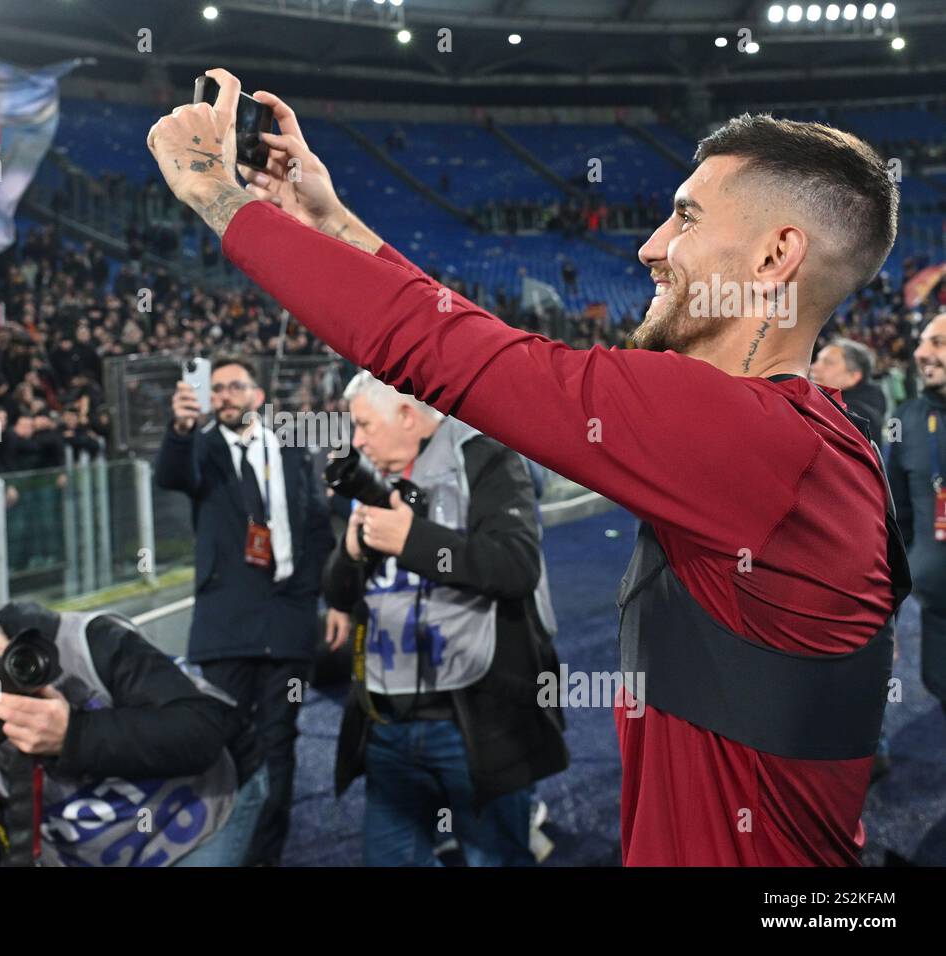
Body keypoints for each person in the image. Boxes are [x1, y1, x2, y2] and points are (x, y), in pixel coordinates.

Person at [147, 71, 910, 866]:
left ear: (776, 253)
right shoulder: (813, 435)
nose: (649, 246)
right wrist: (329, 219)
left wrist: (215, 194)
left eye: (684, 217)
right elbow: (486, 345)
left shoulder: (739, 430)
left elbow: (448, 350)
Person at [322, 371, 567, 866]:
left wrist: (411, 541)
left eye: (365, 425)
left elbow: (517, 566)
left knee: (493, 857)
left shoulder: (485, 457)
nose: (357, 440)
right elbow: (339, 595)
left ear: (408, 417)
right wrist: (349, 554)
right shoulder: (367, 476)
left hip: (474, 718)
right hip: (385, 721)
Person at [0, 599, 265, 867]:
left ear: (4, 632)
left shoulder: (86, 642)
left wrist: (74, 735)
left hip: (198, 814)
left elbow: (200, 731)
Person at [154, 353, 333, 865]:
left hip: (288, 621)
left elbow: (317, 526)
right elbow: (171, 475)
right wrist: (181, 427)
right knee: (223, 751)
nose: (226, 395)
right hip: (226, 626)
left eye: (236, 386)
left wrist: (325, 597)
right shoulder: (201, 450)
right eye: (218, 388)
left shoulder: (293, 449)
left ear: (257, 395)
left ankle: (264, 858)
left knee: (280, 746)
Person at [887, 311, 946, 716]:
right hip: (937, 610)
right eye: (923, 341)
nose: (922, 352)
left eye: (938, 343)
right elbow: (897, 522)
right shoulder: (906, 418)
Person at [811, 338, 887, 442]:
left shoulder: (858, 417)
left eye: (828, 363)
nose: (814, 367)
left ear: (853, 377)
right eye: (817, 360)